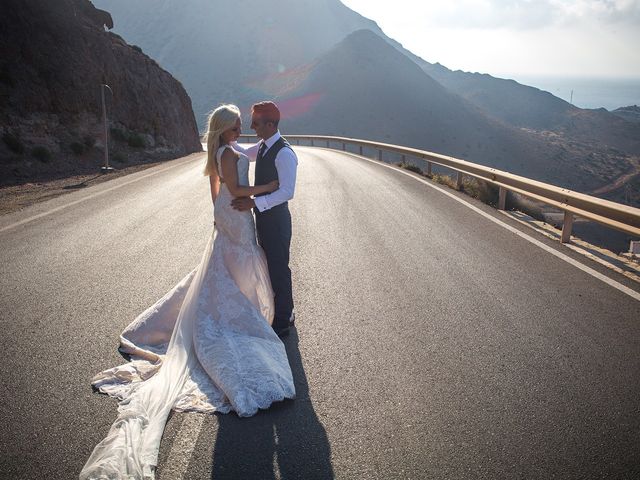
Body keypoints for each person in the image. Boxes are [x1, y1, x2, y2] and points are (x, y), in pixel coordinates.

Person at [80, 104, 296, 480]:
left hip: (231, 213)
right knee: (242, 264)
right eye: (239, 125)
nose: (243, 130)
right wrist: (266, 187)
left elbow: (218, 189)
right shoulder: (230, 152)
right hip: (238, 212)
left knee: (235, 267)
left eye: (249, 124)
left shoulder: (231, 150)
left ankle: (252, 310)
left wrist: (220, 210)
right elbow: (238, 187)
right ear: (226, 129)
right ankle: (248, 317)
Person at [231, 101, 298, 338]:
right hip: (265, 219)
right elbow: (241, 152)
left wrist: (254, 202)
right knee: (270, 266)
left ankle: (283, 320)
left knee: (279, 268)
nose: (252, 126)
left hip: (277, 222)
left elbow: (287, 192)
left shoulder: (285, 153)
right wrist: (223, 137)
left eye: (256, 122)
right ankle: (280, 311)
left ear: (270, 124)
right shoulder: (263, 146)